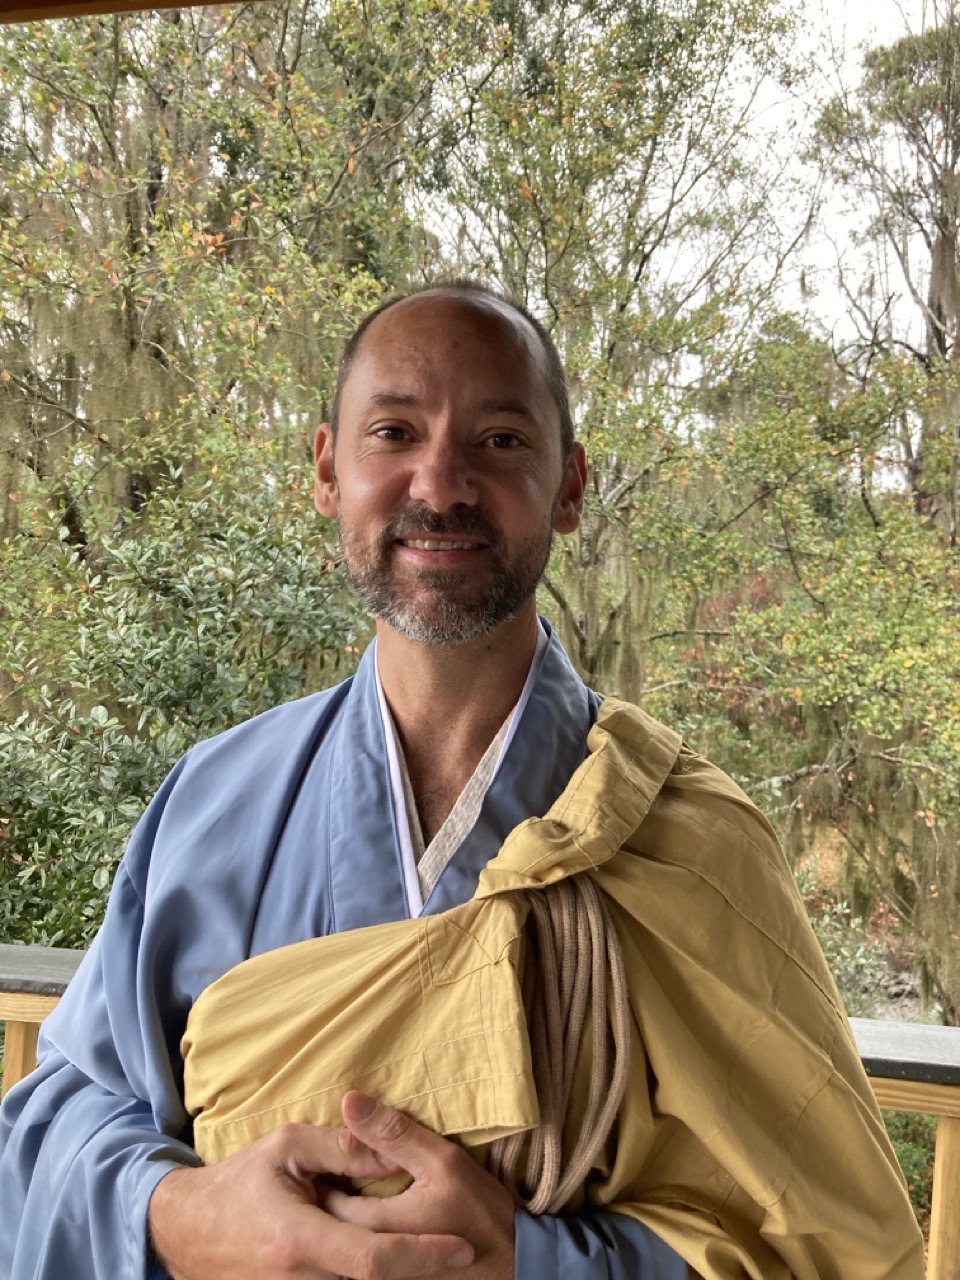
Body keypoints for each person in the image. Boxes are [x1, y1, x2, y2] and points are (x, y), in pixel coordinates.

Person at [0, 281, 923, 1280]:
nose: (439, 483)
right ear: (327, 470)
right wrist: (173, 1211)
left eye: (499, 441)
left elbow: (824, 1246)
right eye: (394, 431)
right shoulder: (212, 799)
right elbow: (53, 1121)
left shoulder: (689, 839)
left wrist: (534, 1260)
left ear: (569, 487)